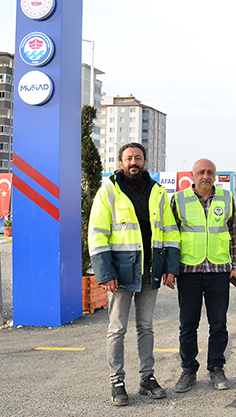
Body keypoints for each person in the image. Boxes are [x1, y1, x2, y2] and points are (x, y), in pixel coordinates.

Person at [88, 142, 180, 406]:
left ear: (145, 161)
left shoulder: (158, 192)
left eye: (138, 158)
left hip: (150, 271)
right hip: (119, 273)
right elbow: (97, 234)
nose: (133, 162)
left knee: (146, 328)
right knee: (117, 329)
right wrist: (105, 273)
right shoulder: (109, 191)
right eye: (129, 158)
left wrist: (170, 269)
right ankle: (117, 381)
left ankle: (147, 378)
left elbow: (171, 233)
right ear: (120, 162)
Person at [171, 158, 236, 393]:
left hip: (219, 271)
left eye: (210, 172)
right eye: (201, 172)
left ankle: (216, 368)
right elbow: (171, 236)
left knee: (219, 324)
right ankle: (188, 370)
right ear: (192, 176)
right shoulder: (179, 199)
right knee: (188, 325)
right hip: (189, 271)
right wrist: (170, 269)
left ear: (215, 176)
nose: (206, 176)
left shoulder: (226, 198)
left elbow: (234, 234)